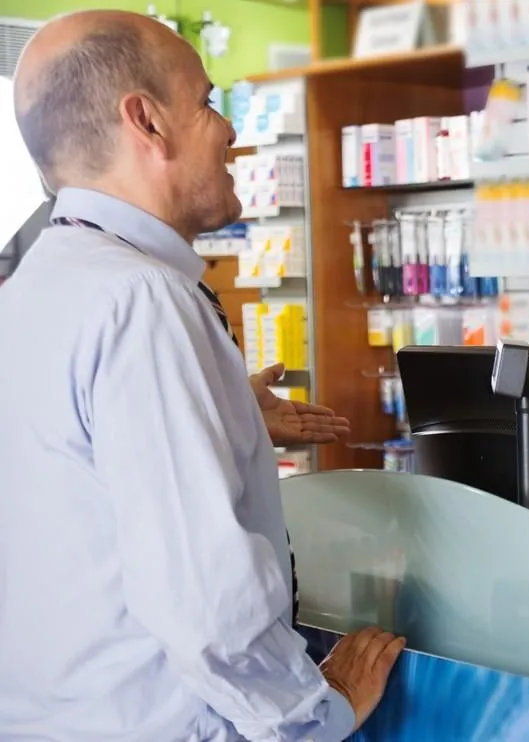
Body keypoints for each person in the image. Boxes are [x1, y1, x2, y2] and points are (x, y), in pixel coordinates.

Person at [0, 10, 405, 741]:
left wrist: (221, 415)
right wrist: (319, 711)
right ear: (147, 122)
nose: (229, 132)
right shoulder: (141, 300)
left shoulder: (36, 287)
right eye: (208, 102)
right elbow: (207, 596)